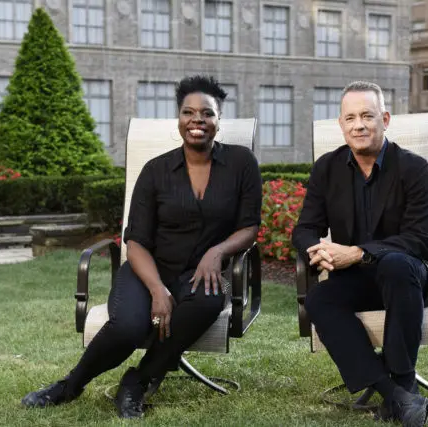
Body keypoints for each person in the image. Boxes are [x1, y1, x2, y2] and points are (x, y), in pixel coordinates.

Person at [21, 75, 262, 419]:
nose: (197, 120)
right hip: (146, 268)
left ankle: (137, 381)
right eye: (188, 112)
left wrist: (217, 252)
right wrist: (157, 290)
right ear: (178, 118)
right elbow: (135, 242)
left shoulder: (241, 164)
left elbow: (249, 227)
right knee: (128, 326)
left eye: (207, 113)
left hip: (199, 273)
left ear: (218, 120)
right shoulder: (155, 171)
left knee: (207, 302)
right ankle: (70, 385)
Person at [292, 81, 428, 427]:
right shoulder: (327, 168)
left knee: (394, 264)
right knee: (320, 298)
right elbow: (305, 228)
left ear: (385, 119)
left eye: (367, 115)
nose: (358, 125)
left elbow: (420, 239)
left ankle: (403, 379)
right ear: (341, 125)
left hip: (413, 274)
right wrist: (318, 251)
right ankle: (396, 396)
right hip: (359, 279)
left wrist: (359, 253)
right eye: (350, 118)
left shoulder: (414, 168)